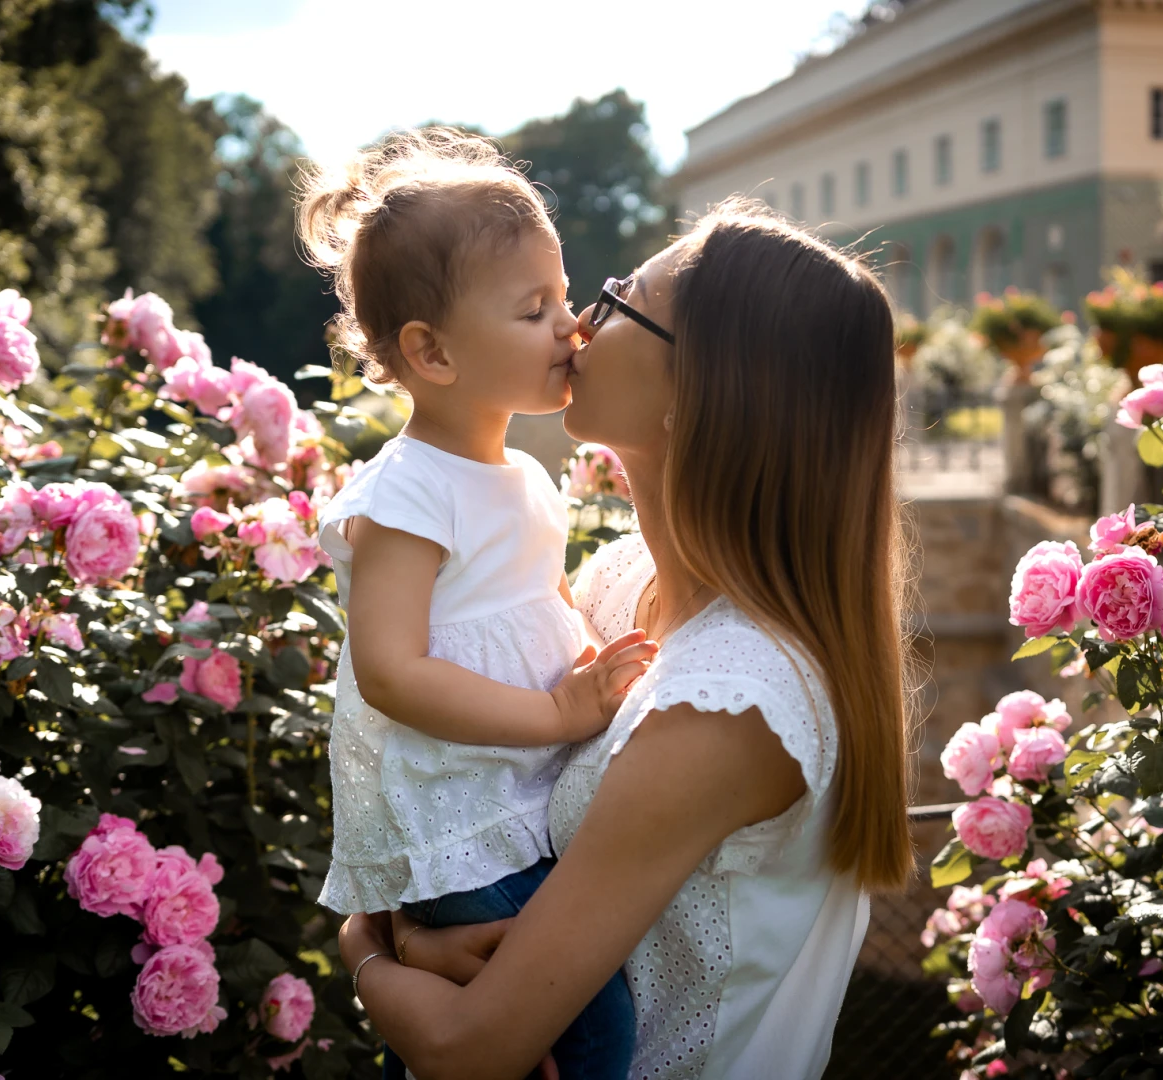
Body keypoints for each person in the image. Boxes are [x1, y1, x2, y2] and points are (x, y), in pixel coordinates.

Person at [339, 201, 917, 1080]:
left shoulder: (732, 699)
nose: (578, 324)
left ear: (699, 393)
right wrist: (414, 939)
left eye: (617, 302)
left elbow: (467, 1047)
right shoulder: (620, 580)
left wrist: (367, 946)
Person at [297, 129, 653, 1079]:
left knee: (558, 1016)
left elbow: (528, 611)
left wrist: (587, 656)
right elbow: (390, 670)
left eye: (565, 298)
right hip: (460, 828)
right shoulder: (407, 493)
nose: (571, 328)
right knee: (589, 1028)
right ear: (433, 352)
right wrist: (557, 711)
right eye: (535, 309)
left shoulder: (526, 483)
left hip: (521, 806)